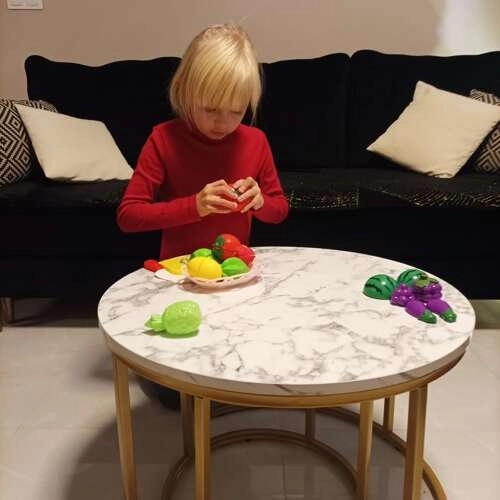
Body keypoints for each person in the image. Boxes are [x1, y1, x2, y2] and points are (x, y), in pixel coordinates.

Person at [117, 23, 289, 409]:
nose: (222, 123)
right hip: (179, 277)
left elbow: (279, 210)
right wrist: (193, 205)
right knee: (176, 394)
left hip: (234, 276)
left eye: (237, 111)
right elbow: (129, 215)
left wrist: (260, 202)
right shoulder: (163, 138)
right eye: (210, 109)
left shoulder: (255, 141)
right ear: (185, 91)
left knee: (241, 361)